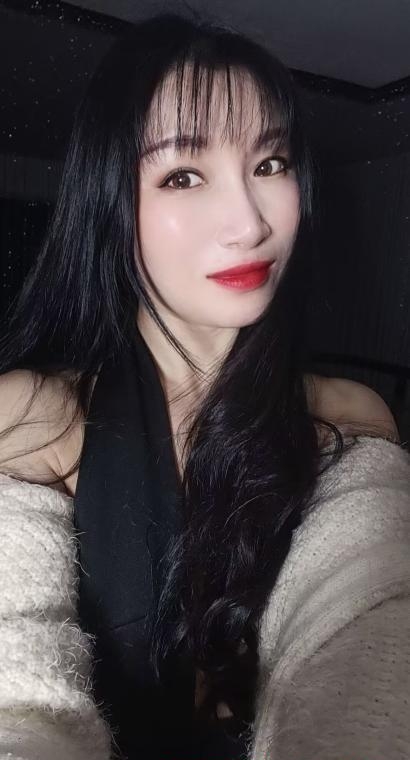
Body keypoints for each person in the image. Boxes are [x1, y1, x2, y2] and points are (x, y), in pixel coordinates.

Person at [0, 10, 409, 760]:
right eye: (183, 175)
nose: (249, 223)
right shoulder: (33, 418)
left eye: (271, 164)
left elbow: (370, 623)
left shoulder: (349, 418)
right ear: (111, 203)